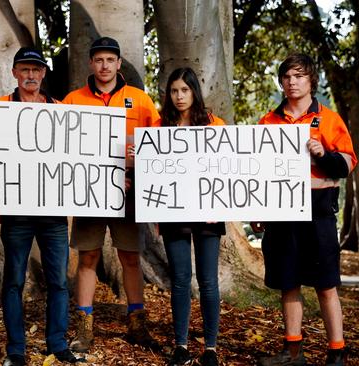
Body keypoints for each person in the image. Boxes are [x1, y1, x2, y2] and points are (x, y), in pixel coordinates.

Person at [253, 54, 357, 366]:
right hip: (281, 214)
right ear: (281, 82)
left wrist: (323, 154)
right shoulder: (267, 123)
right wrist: (257, 210)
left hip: (318, 212)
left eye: (299, 76)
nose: (292, 82)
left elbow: (348, 164)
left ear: (311, 80)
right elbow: (256, 173)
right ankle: (292, 352)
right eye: (287, 77)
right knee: (288, 282)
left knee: (326, 284)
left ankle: (336, 352)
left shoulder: (329, 119)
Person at [62, 37, 161, 352]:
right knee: (88, 257)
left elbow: (158, 149)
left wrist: (135, 171)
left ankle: (137, 323)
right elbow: (61, 149)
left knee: (130, 258)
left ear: (119, 64)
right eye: (99, 60)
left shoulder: (140, 100)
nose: (104, 66)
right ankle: (85, 326)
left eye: (110, 60)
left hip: (128, 194)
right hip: (88, 193)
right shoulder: (72, 100)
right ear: (91, 64)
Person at [0, 46, 85, 366]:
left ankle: (57, 344)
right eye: (24, 69)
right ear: (14, 73)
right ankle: (16, 349)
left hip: (53, 214)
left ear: (44, 73)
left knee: (59, 281)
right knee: (14, 280)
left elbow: (77, 157)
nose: (31, 75)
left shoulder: (61, 112)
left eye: (36, 70)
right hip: (16, 213)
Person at [159, 67, 225, 366]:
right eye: (174, 91)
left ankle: (210, 348)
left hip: (209, 212)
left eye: (184, 90)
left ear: (194, 92)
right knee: (181, 280)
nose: (179, 96)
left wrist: (219, 205)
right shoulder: (160, 128)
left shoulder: (215, 125)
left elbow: (226, 171)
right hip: (173, 211)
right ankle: (181, 345)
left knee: (209, 281)